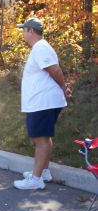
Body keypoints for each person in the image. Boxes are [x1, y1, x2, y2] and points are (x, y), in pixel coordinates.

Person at [14, 17, 70, 190]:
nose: (23, 33)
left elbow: (54, 69)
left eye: (24, 30)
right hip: (42, 102)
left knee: (40, 139)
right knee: (44, 137)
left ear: (31, 30)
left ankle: (36, 179)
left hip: (43, 102)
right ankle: (43, 172)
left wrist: (63, 88)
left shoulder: (40, 47)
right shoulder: (40, 48)